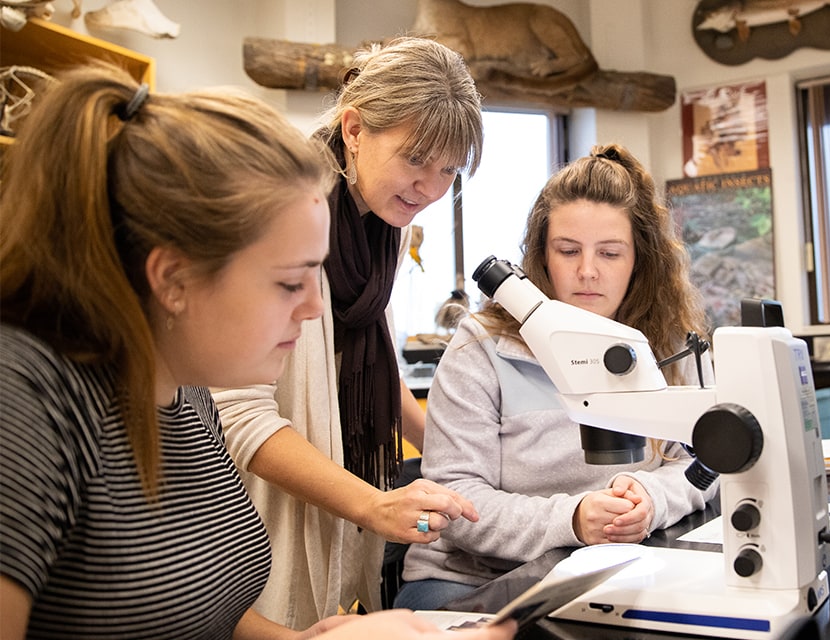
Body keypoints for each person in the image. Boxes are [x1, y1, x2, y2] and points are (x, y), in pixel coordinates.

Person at [0, 63, 514, 640]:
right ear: (172, 279)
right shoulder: (28, 403)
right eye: (290, 282)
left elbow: (196, 602)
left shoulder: (189, 397)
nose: (316, 310)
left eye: (447, 170)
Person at [209, 35, 487, 626]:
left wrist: (457, 453)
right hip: (245, 511)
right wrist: (372, 505)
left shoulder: (386, 228)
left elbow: (373, 361)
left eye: (448, 169)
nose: (431, 188)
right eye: (416, 159)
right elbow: (238, 412)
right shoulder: (279, 209)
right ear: (355, 129)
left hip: (340, 485)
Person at [395, 143, 720, 610]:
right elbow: (456, 500)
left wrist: (650, 499)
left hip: (619, 563)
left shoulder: (667, 343)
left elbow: (700, 464)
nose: (587, 271)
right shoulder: (481, 347)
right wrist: (573, 519)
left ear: (640, 261)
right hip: (473, 577)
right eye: (568, 251)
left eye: (610, 253)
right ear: (541, 256)